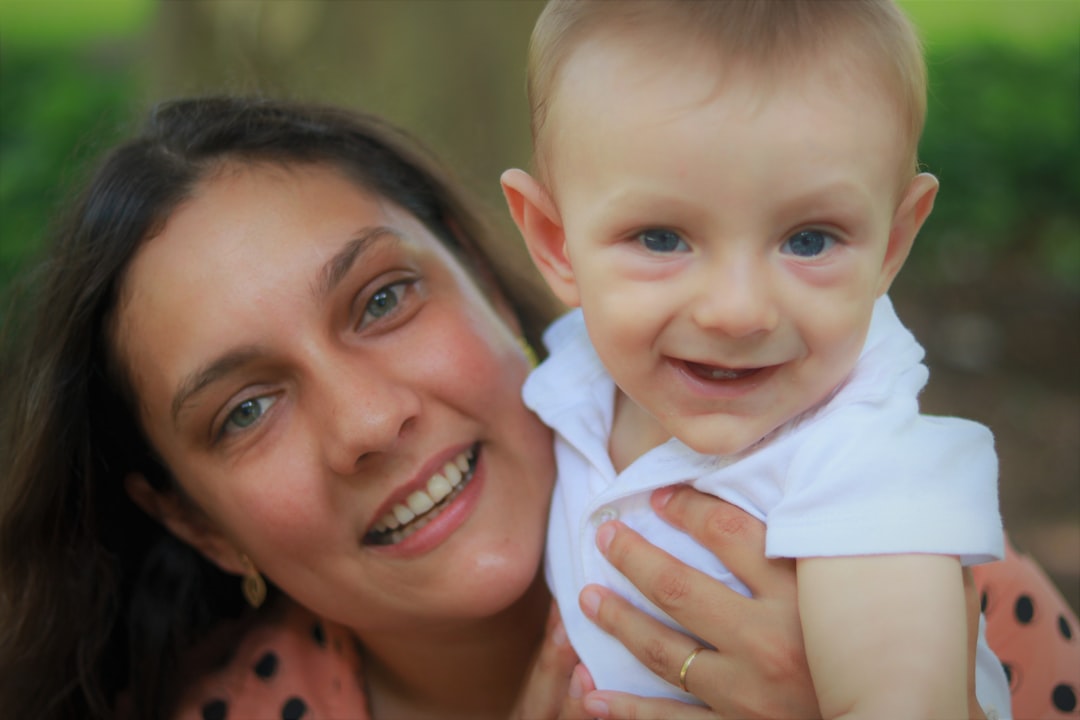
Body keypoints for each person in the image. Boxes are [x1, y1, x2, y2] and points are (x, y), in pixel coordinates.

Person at [0, 95, 833, 720]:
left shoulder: (873, 524)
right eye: (246, 411)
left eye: (383, 300)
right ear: (197, 523)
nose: (366, 422)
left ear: (482, 278)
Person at [501, 1, 1011, 718]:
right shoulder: (582, 375)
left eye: (808, 240)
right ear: (556, 241)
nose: (737, 311)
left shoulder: (861, 461)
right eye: (660, 239)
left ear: (892, 245)